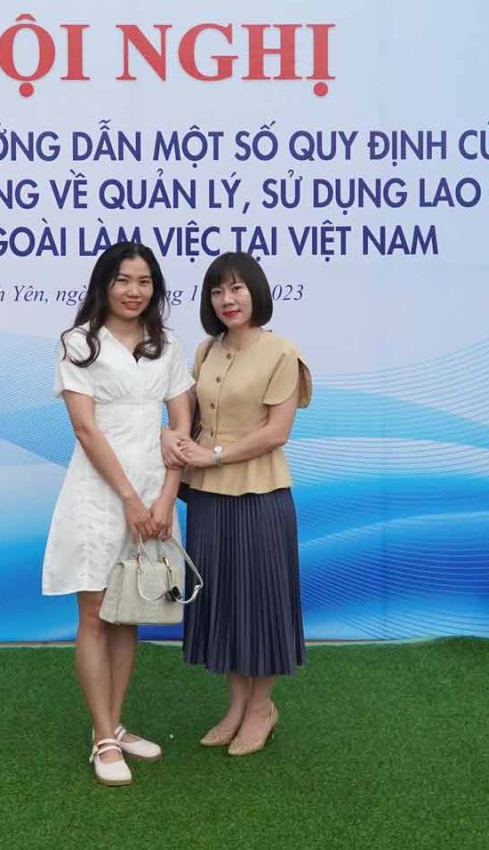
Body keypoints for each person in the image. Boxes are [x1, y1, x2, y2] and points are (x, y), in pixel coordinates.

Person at [41, 242, 195, 786]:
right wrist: (129, 499)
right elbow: (85, 429)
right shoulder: (78, 342)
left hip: (154, 492)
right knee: (95, 614)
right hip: (99, 494)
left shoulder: (167, 344)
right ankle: (103, 739)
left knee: (130, 609)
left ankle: (114, 724)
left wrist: (164, 497)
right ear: (104, 284)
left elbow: (181, 426)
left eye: (144, 281)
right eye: (123, 280)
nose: (134, 291)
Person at [166, 251, 311, 757]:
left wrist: (214, 455)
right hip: (207, 497)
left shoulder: (282, 352)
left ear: (256, 292)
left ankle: (262, 708)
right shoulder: (206, 349)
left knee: (261, 603)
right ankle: (235, 706)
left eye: (236, 288)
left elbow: (277, 431)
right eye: (216, 291)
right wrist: (175, 441)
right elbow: (192, 416)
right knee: (223, 602)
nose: (226, 300)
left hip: (260, 496)